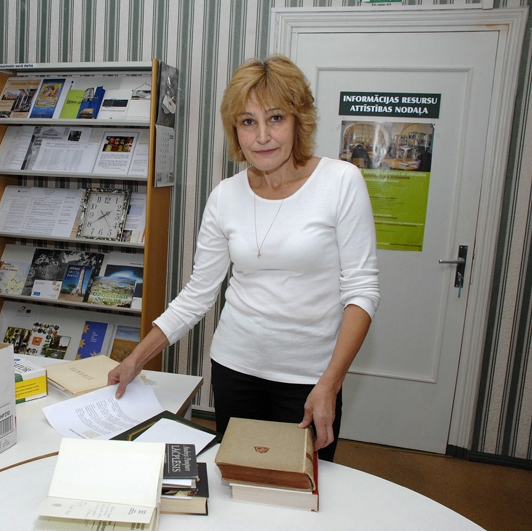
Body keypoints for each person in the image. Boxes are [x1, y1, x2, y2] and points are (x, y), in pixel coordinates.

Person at [108, 55, 380, 462]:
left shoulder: (341, 182)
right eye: (248, 122)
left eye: (275, 118)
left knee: (297, 491)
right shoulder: (225, 195)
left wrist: (330, 384)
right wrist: (134, 360)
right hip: (235, 370)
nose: (262, 137)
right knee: (239, 480)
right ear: (235, 130)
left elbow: (362, 292)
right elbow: (198, 294)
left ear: (298, 120)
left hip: (309, 379)